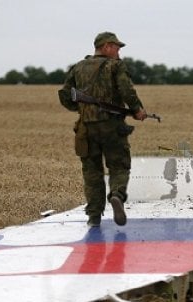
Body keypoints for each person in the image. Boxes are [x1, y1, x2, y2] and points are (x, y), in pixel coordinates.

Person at [58, 31, 148, 227]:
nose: (118, 51)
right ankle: (116, 195)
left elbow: (64, 95)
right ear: (106, 46)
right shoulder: (115, 66)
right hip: (112, 126)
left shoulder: (78, 67)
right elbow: (126, 90)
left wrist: (82, 109)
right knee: (119, 166)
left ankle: (94, 217)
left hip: (86, 128)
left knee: (92, 173)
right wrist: (137, 110)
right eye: (116, 47)